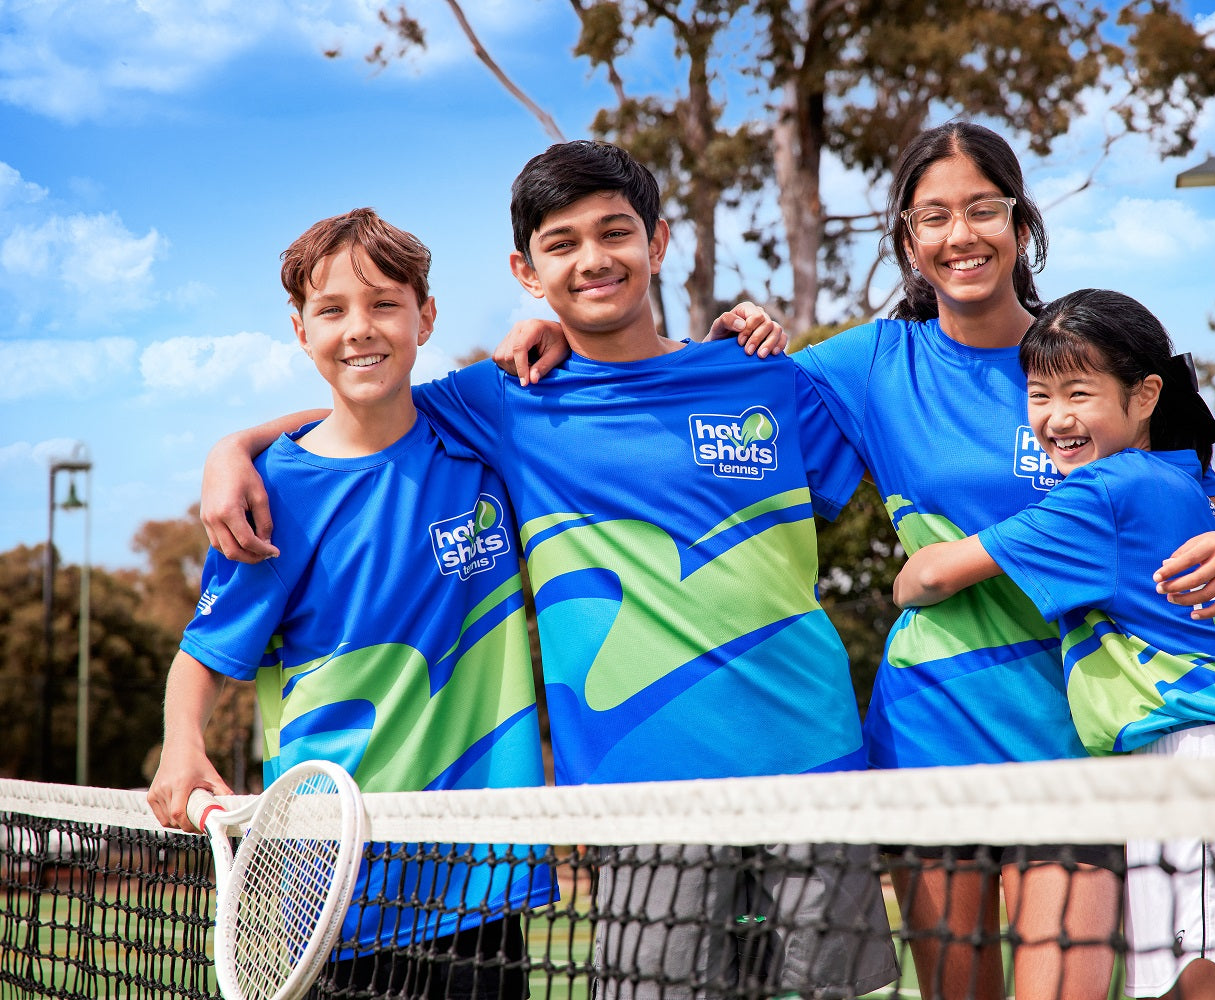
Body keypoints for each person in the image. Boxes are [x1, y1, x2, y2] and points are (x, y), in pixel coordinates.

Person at [495, 121, 1215, 1000]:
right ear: (907, 239)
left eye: (983, 209)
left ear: (1021, 225)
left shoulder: (1092, 352)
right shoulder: (866, 363)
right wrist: (556, 334)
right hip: (931, 729)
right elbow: (696, 390)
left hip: (1075, 738)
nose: (959, 234)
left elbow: (1211, 526)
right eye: (932, 216)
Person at [197, 141, 898, 1000]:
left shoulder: (767, 381)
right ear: (526, 271)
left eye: (616, 233)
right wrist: (234, 446)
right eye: (561, 243)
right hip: (638, 805)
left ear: (661, 241)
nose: (594, 259)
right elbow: (368, 403)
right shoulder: (504, 401)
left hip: (815, 768)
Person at [147, 208, 554, 999]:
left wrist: (551, 324)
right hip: (331, 890)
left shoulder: (476, 423)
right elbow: (202, 655)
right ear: (301, 331)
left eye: (384, 304)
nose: (360, 329)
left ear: (425, 317)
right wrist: (178, 744)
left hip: (479, 878)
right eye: (331, 310)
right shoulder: (273, 496)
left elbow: (591, 358)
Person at [893, 287, 1215, 1000]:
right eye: (1039, 396)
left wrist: (917, 557)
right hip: (1195, 756)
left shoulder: (1098, 494)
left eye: (1078, 392)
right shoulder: (1178, 472)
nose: (1056, 417)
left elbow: (925, 578)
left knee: (1204, 985)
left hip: (1190, 758)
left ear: (1144, 397)